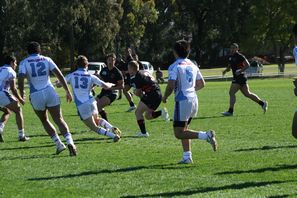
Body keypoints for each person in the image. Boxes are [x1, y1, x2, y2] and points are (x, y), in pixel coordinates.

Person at [162, 40, 217, 164]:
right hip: (193, 100)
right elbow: (202, 84)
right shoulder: (193, 65)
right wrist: (190, 90)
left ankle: (206, 135)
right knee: (185, 129)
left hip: (182, 101)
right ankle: (187, 157)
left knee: (179, 133)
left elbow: (171, 85)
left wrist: (165, 96)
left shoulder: (175, 66)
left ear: (175, 52)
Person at [18, 41, 77, 156]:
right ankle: (70, 142)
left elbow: (20, 79)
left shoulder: (24, 62)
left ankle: (59, 144)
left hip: (36, 94)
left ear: (28, 52)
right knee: (59, 119)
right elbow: (59, 74)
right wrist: (67, 91)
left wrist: (21, 93)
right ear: (39, 50)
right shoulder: (47, 59)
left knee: (44, 120)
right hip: (50, 91)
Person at [64, 55, 121, 142]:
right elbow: (105, 86)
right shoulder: (91, 76)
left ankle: (113, 136)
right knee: (97, 119)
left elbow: (59, 83)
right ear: (86, 65)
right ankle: (111, 127)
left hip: (82, 104)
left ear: (76, 65)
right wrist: (111, 84)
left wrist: (59, 83)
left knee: (94, 127)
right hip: (92, 101)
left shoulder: (71, 75)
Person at [221, 43, 268, 116]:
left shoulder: (240, 56)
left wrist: (240, 71)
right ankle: (262, 103)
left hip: (240, 77)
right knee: (247, 94)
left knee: (231, 93)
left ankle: (230, 111)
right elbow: (230, 67)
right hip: (239, 78)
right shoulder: (231, 57)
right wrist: (225, 71)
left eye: (234, 48)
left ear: (237, 49)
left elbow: (248, 65)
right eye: (231, 48)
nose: (232, 49)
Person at [127, 61, 169, 137]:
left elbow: (138, 92)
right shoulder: (143, 71)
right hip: (157, 94)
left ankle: (143, 133)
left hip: (151, 94)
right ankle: (161, 112)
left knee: (138, 112)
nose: (128, 70)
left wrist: (135, 92)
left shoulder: (138, 76)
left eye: (128, 68)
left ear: (132, 69)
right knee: (148, 116)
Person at [0, 55, 29, 142]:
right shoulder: (11, 71)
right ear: (12, 63)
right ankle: (21, 135)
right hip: (1, 93)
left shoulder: (1, 68)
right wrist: (20, 99)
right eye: (15, 63)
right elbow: (13, 89)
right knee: (18, 110)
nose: (16, 65)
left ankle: (0, 128)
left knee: (7, 111)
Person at [96, 53, 124, 121]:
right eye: (109, 60)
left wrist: (111, 88)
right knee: (94, 106)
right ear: (107, 60)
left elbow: (122, 86)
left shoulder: (117, 72)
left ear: (115, 61)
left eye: (112, 60)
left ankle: (98, 125)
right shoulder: (103, 70)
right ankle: (106, 123)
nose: (110, 61)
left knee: (97, 106)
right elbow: (100, 79)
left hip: (112, 93)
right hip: (103, 91)